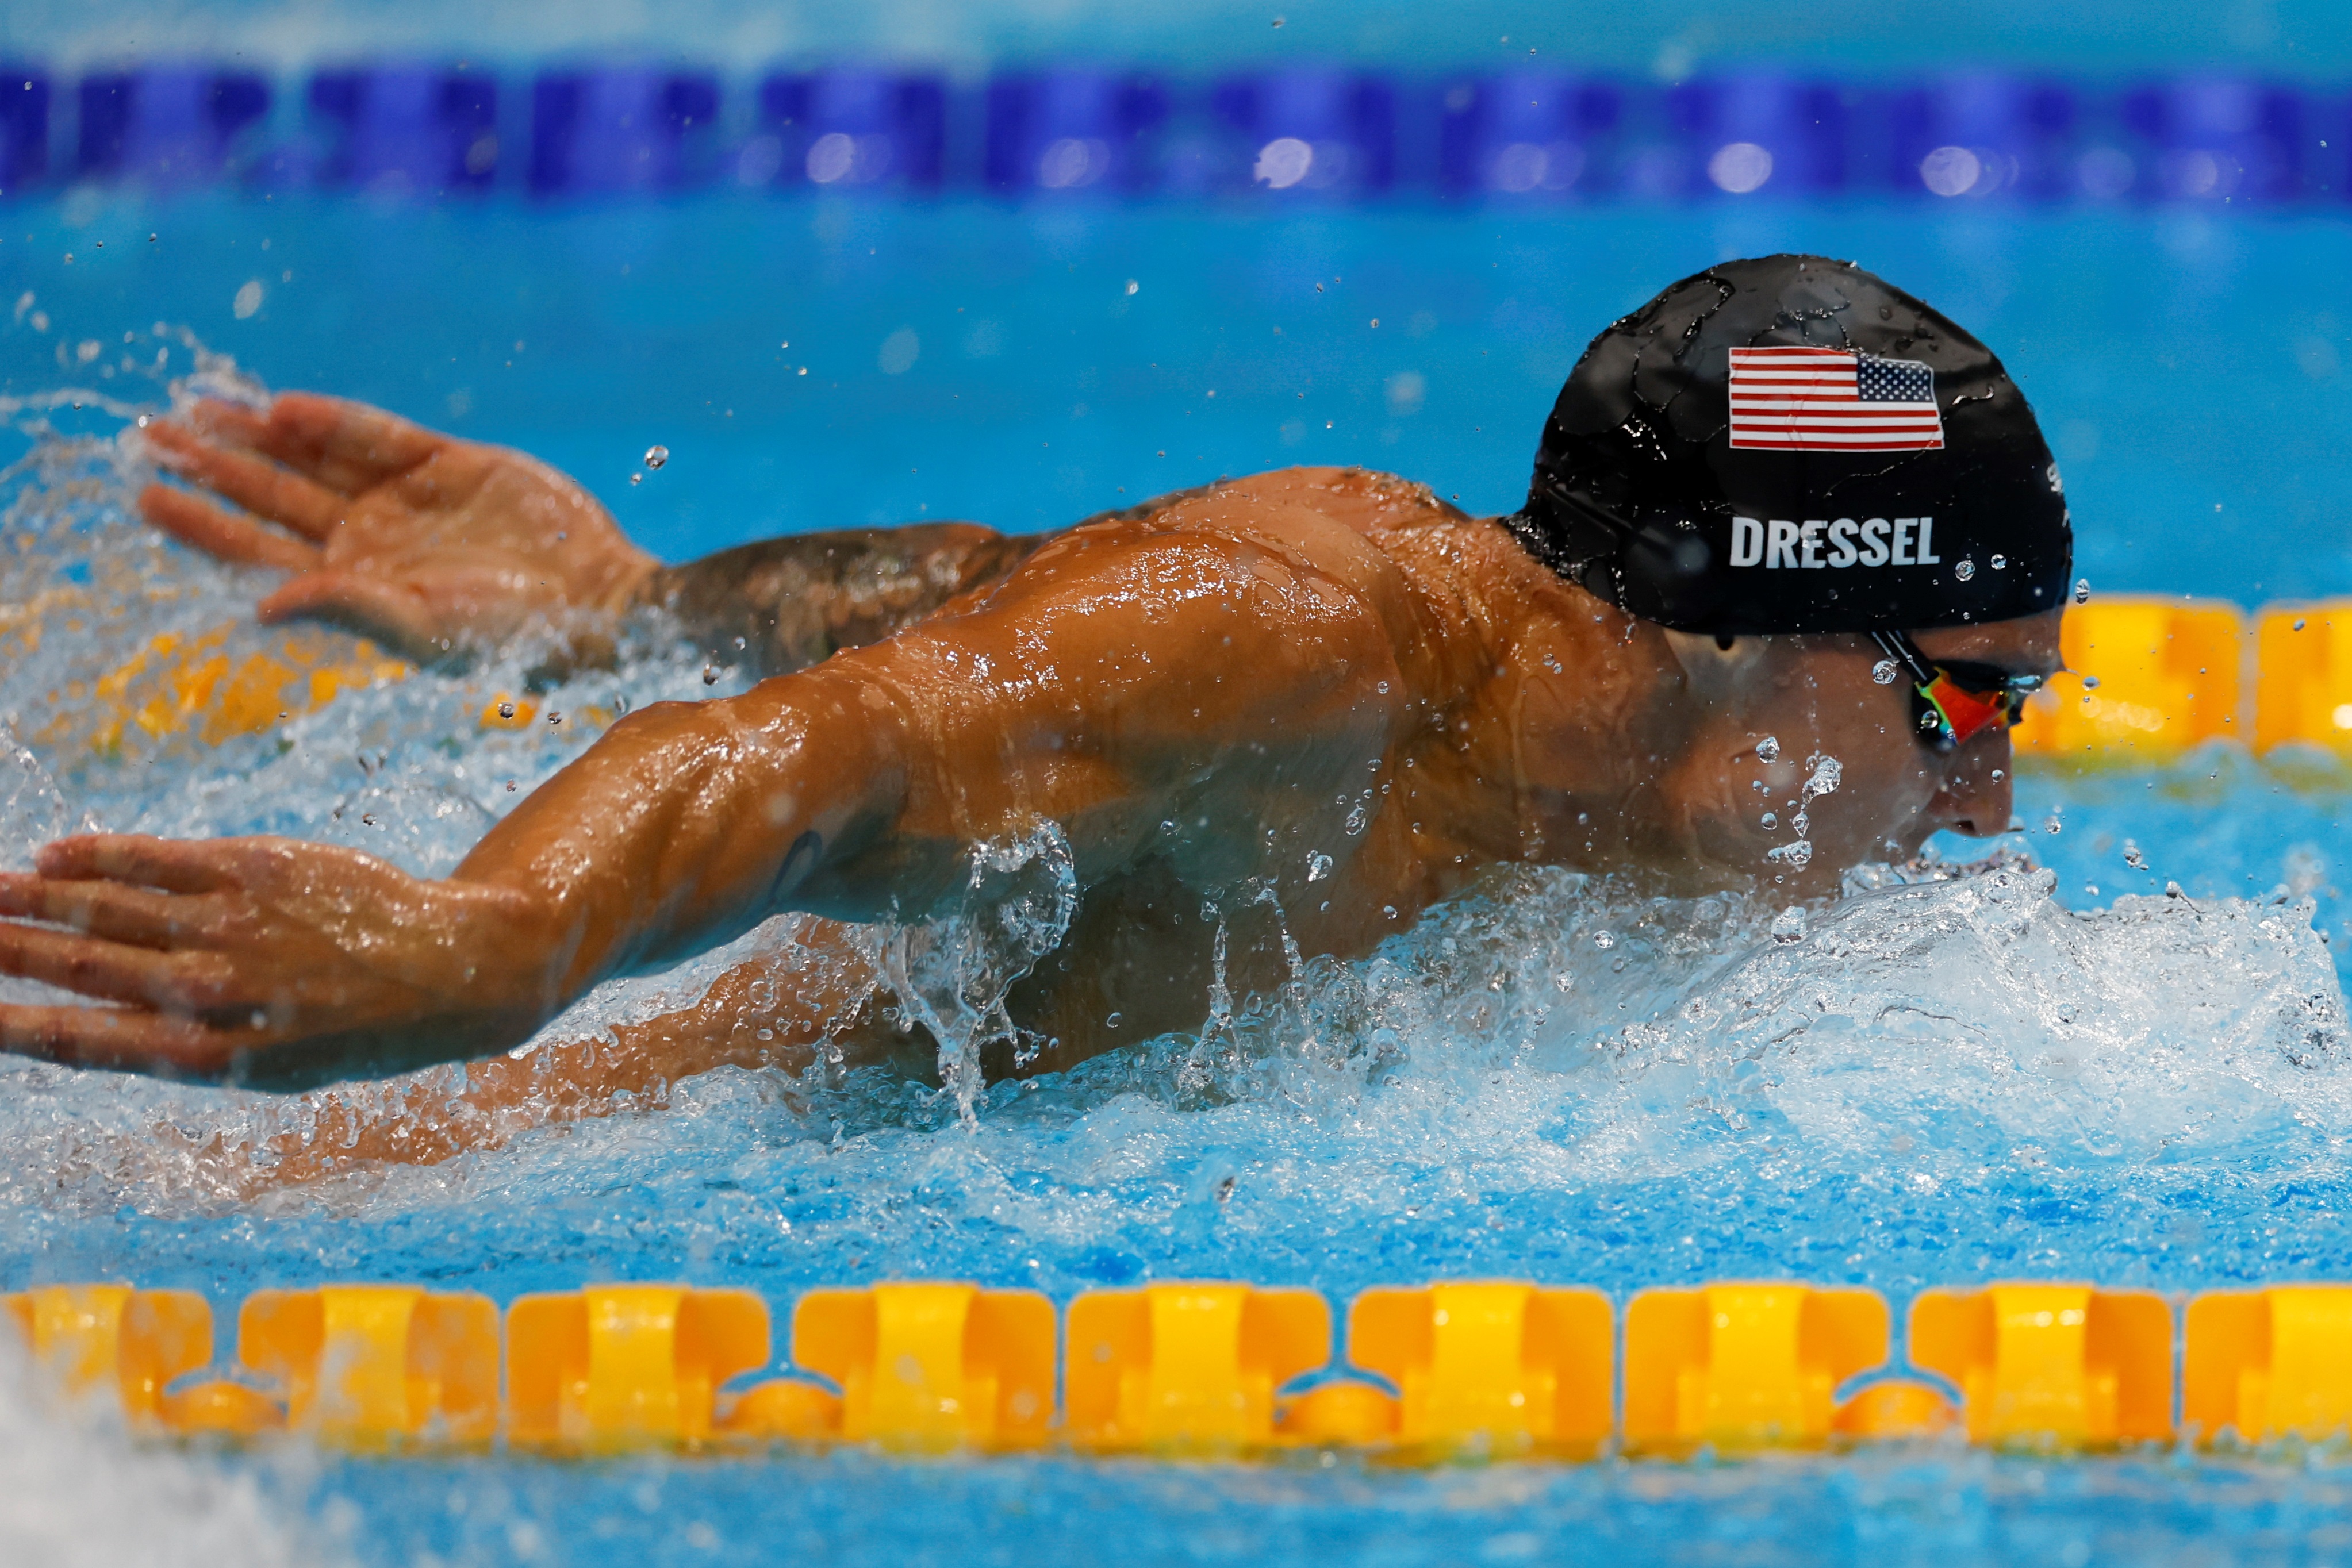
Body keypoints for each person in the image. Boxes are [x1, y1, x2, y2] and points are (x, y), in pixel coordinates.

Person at [0, 254, 2068, 1163]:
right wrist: (488, 944)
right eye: (1971, 708)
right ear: (1769, 632)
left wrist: (625, 607)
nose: (1984, 811)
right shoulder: (1308, 639)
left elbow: (981, 597)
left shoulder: (1655, 799)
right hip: (400, 1151)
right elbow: (834, 759)